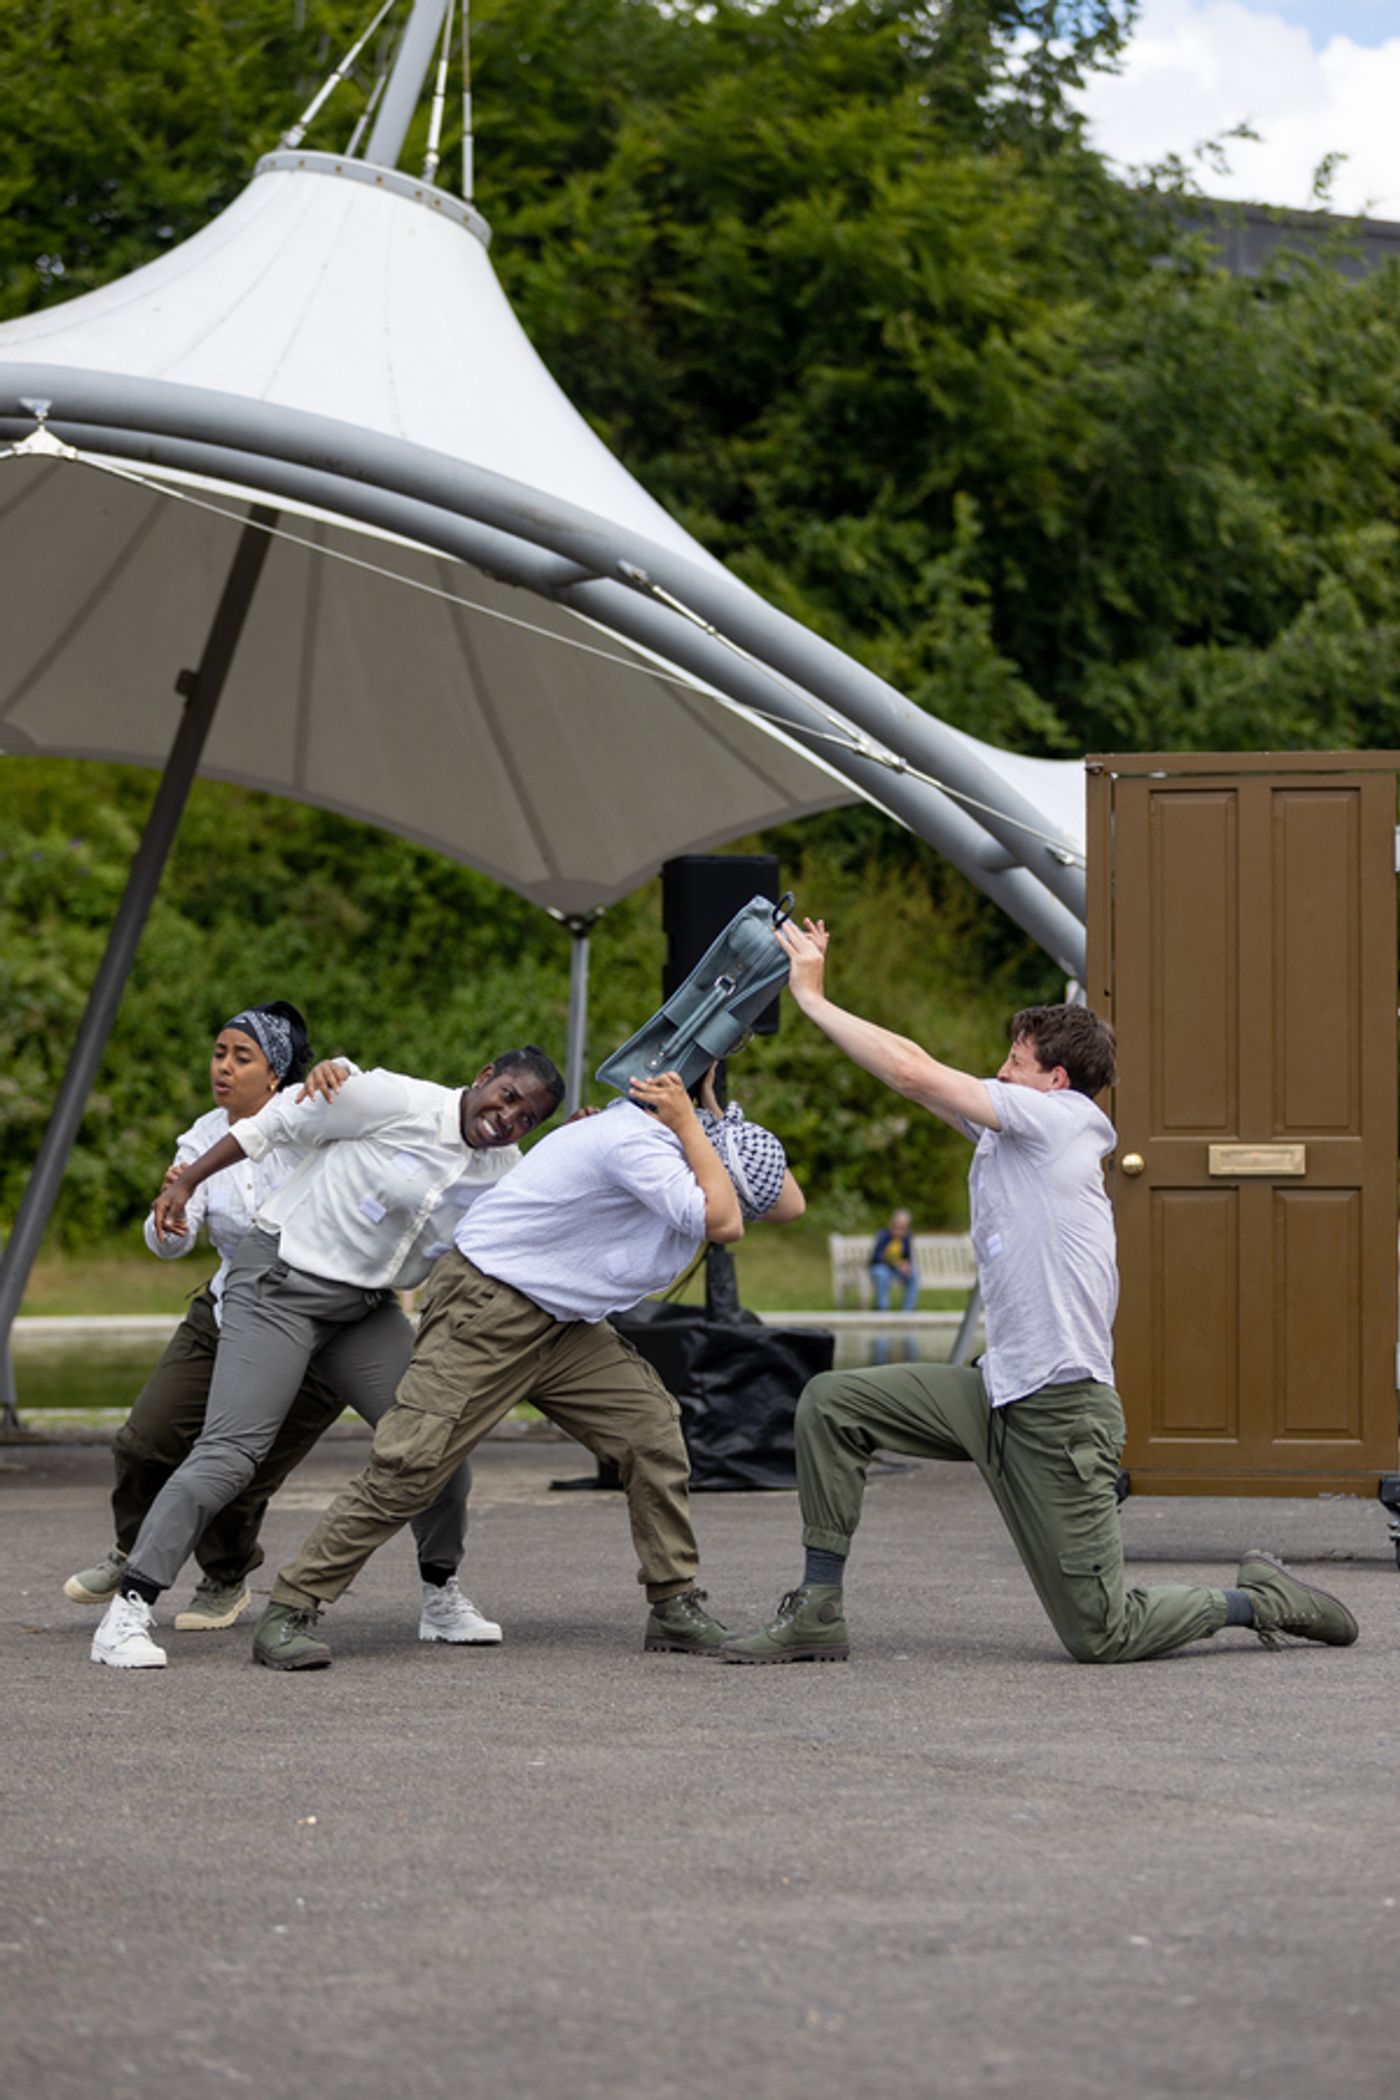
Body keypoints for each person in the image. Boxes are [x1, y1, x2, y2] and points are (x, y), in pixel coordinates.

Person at [719, 917, 1360, 1666]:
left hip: (1063, 1413)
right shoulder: (1014, 1132)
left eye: (1015, 1061)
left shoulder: (1061, 1122)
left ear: (1056, 1080)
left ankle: (1259, 1601)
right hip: (997, 1394)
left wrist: (814, 999)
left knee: (1103, 1633)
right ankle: (818, 1610)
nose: (998, 1071)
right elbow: (907, 1073)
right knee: (833, 1405)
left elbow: (916, 1071)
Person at [248, 1068, 806, 1671]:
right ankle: (290, 1607)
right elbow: (724, 1221)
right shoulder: (638, 1144)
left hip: (564, 1324)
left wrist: (705, 1104)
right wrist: (693, 1126)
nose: (738, 1210)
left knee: (651, 1431)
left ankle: (673, 1602)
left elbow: (790, 1203)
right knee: (411, 1464)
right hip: (488, 1309)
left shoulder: (687, 1147)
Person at [88, 1045, 565, 1670]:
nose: (509, 1118)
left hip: (362, 1308)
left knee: (435, 1446)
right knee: (230, 1456)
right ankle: (127, 1611)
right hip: (279, 1281)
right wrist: (186, 1181)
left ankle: (441, 1597)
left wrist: (579, 1144)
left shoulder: (506, 1169)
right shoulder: (397, 1099)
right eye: (508, 1097)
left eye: (529, 1117)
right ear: (484, 1078)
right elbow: (275, 1124)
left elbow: (539, 1219)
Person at [63, 1003, 366, 1632]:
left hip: (317, 1320)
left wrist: (337, 1068)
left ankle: (225, 1579)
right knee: (144, 1442)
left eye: (241, 1057)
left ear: (275, 1073)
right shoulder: (202, 1137)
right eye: (219, 1052)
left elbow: (366, 1092)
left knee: (242, 1469)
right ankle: (133, 1549)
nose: (223, 1067)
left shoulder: (311, 1113)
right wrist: (169, 1220)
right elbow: (170, 1241)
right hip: (229, 1309)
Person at [868, 1208, 918, 1312]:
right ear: (892, 1224)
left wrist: (906, 1265)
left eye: (903, 1228)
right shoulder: (883, 1235)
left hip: (897, 1269)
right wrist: (896, 1263)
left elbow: (907, 1256)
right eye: (897, 1226)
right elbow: (877, 1257)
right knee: (882, 1274)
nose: (899, 1230)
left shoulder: (906, 1237)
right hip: (881, 1267)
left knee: (914, 1273)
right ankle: (883, 1310)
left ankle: (908, 1311)